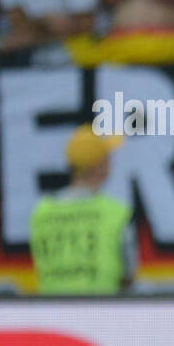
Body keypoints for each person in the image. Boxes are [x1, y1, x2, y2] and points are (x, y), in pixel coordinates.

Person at [29, 125, 134, 294]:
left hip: (51, 314)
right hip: (103, 314)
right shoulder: (116, 213)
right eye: (107, 158)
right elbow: (129, 276)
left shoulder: (41, 212)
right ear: (99, 166)